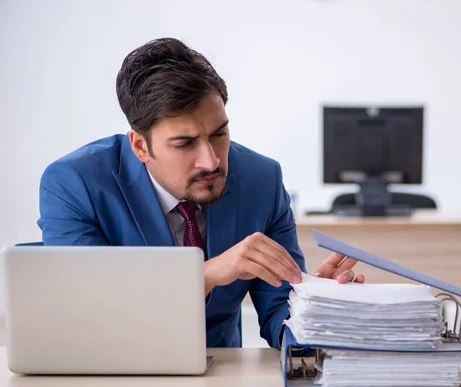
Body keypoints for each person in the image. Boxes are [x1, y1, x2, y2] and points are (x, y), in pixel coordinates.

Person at [37, 37, 365, 350]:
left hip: (222, 378)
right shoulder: (74, 183)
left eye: (219, 134)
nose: (211, 161)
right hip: (112, 373)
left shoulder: (261, 180)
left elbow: (279, 305)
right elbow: (87, 308)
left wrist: (319, 309)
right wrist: (205, 275)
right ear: (140, 146)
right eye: (184, 143)